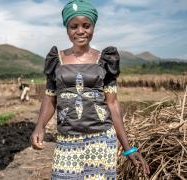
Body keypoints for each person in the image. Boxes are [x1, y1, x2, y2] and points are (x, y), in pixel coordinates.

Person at [30, 0, 150, 179]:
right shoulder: (57, 59)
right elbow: (50, 98)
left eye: (86, 25)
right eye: (74, 26)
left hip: (101, 140)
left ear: (93, 26)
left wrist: (128, 148)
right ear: (67, 28)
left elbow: (113, 104)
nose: (80, 31)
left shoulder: (104, 60)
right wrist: (39, 126)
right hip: (67, 139)